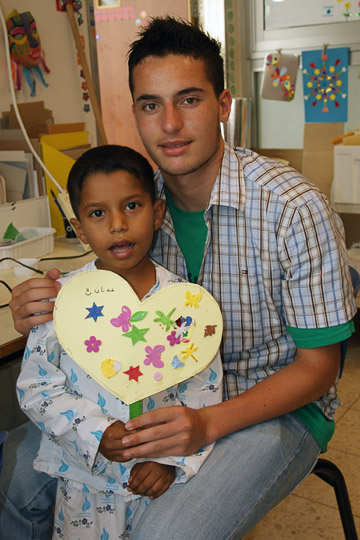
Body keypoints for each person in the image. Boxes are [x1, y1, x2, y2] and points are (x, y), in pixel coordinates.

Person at [3, 16, 357, 540]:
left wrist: (207, 425)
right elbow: (94, 301)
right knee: (15, 473)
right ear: (136, 113)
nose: (169, 124)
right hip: (155, 399)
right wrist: (37, 304)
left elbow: (320, 369)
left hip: (274, 407)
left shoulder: (292, 208)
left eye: (189, 100)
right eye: (151, 105)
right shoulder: (139, 215)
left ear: (224, 105)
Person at [15, 144, 223, 540]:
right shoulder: (61, 301)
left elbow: (204, 392)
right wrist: (96, 432)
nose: (117, 225)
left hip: (157, 487)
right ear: (78, 228)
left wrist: (170, 460)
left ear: (157, 213)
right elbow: (37, 389)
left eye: (132, 206)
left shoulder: (185, 304)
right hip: (83, 489)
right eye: (98, 213)